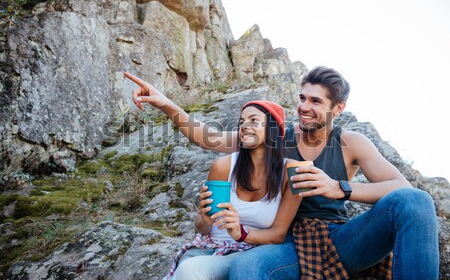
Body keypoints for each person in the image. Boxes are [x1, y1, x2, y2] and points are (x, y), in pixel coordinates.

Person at [124, 67, 439, 279]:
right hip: (286, 242)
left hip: (342, 237)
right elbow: (209, 137)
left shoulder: (351, 142)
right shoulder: (276, 137)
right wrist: (166, 104)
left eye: (316, 101)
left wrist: (339, 187)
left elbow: (398, 185)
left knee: (416, 201)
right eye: (302, 98)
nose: (304, 107)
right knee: (247, 268)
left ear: (338, 109)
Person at [161, 100, 302, 280]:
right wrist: (204, 219)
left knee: (191, 270)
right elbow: (202, 228)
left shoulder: (290, 173)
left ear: (273, 129)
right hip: (209, 248)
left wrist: (241, 233)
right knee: (188, 269)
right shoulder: (224, 166)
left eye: (254, 120)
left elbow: (278, 235)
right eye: (242, 121)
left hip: (251, 251)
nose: (244, 126)